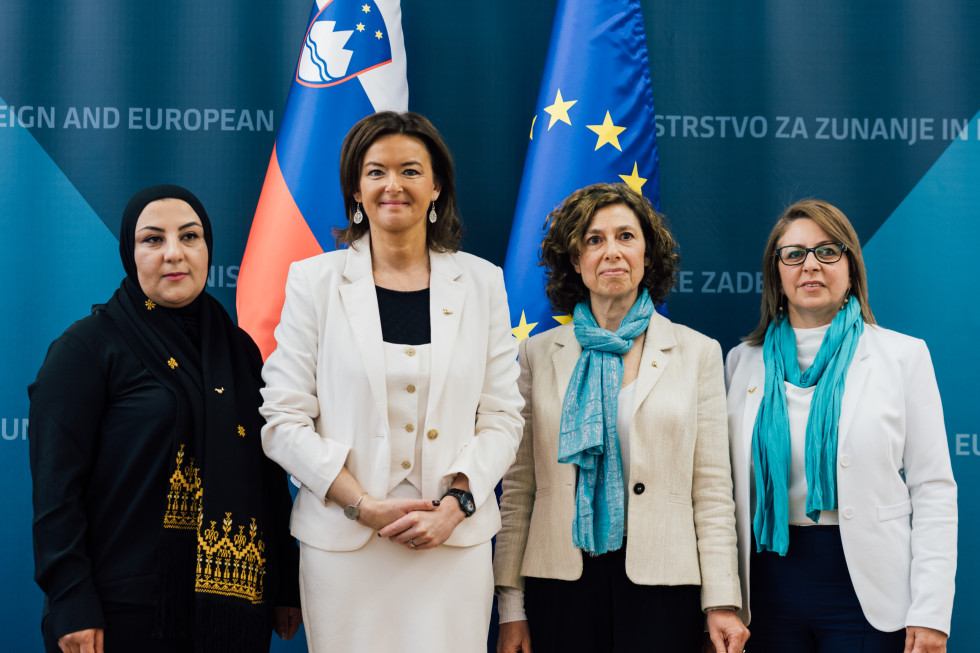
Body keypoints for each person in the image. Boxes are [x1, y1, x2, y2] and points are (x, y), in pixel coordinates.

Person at [258, 111, 524, 653]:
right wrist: (361, 504)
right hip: (346, 547)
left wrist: (457, 504)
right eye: (376, 172)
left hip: (451, 544)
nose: (393, 185)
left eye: (410, 170)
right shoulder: (314, 282)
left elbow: (502, 417)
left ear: (436, 187)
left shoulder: (481, 282)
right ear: (356, 189)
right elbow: (283, 422)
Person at [29, 185, 301, 653]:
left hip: (230, 612)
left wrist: (284, 584)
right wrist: (71, 600)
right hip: (121, 612)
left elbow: (267, 477)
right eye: (153, 240)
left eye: (190, 237)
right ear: (129, 254)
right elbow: (57, 492)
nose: (174, 253)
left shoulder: (239, 352)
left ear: (207, 249)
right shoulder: (88, 348)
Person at [493, 183, 748, 653]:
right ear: (574, 260)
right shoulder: (537, 355)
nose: (611, 252)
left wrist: (722, 602)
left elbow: (712, 492)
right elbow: (519, 491)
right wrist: (511, 608)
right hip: (559, 582)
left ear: (647, 255)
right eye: (593, 240)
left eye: (626, 237)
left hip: (665, 584)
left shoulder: (697, 353)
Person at [726, 199, 957, 653]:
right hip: (765, 589)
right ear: (777, 273)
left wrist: (931, 612)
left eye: (827, 251)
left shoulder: (902, 357)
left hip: (868, 590)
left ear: (851, 266)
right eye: (794, 254)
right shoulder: (740, 363)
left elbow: (933, 489)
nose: (810, 265)